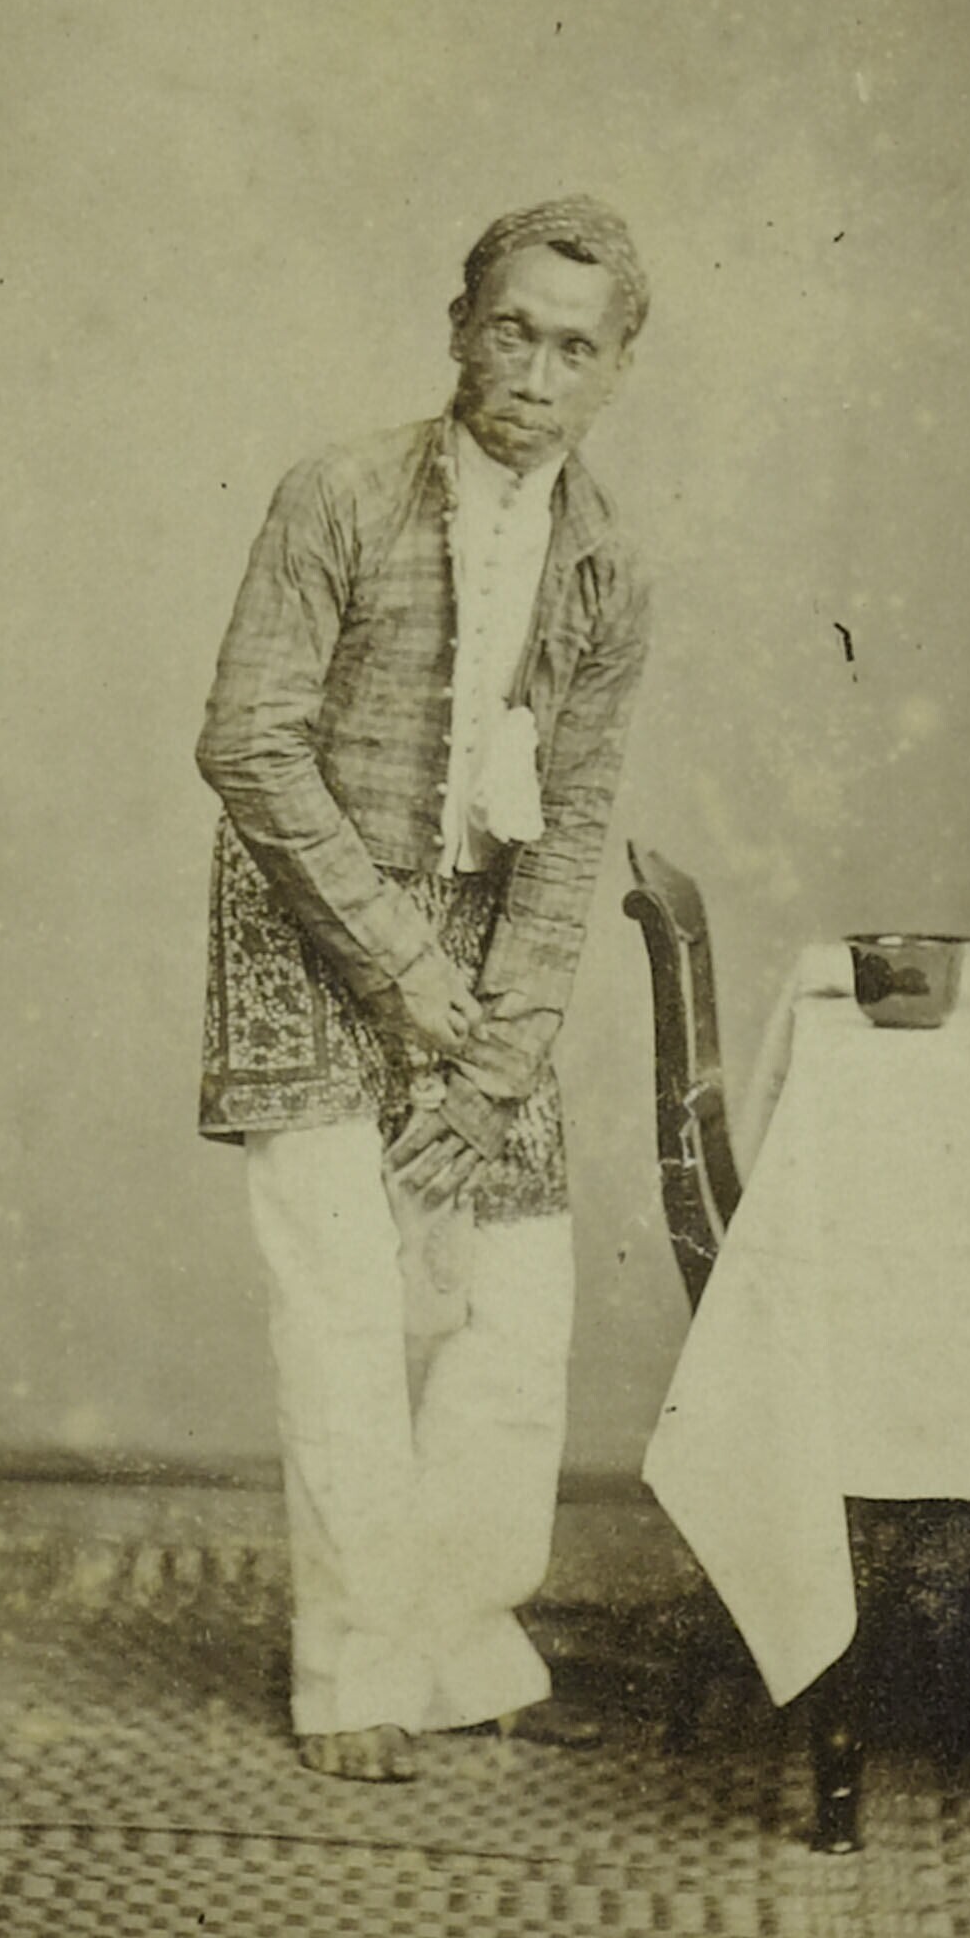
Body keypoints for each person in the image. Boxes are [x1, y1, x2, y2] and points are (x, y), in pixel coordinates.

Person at [196, 196, 652, 1782]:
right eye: (512, 329)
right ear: (462, 325)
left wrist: (504, 1046)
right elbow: (249, 741)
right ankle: (352, 1674)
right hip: (310, 929)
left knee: (512, 1308)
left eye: (576, 347)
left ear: (615, 371)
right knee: (343, 1306)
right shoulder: (337, 494)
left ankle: (456, 1646)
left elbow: (574, 818)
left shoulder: (607, 565)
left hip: (486, 976)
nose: (536, 371)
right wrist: (399, 969)